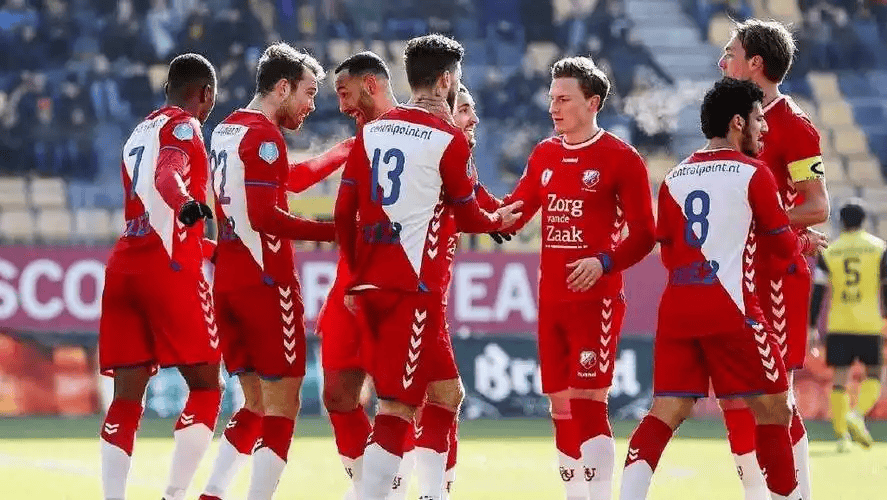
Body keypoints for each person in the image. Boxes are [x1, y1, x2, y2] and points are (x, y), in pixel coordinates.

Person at [334, 34, 521, 500]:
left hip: (372, 285)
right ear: (445, 81)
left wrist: (354, 277)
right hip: (411, 290)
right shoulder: (447, 139)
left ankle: (432, 495)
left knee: (447, 394)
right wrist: (497, 220)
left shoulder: (374, 131)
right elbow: (469, 216)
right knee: (397, 407)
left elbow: (343, 211)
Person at [619, 77, 811, 500]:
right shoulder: (754, 173)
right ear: (738, 122)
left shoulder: (674, 176)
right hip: (734, 310)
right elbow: (782, 248)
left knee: (665, 412)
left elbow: (669, 252)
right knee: (775, 408)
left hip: (678, 310)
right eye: (758, 119)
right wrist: (803, 242)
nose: (764, 128)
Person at [501, 56, 655, 500]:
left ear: (593, 103)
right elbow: (513, 211)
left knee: (588, 402)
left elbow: (646, 235)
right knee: (560, 405)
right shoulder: (544, 154)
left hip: (596, 300)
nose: (554, 107)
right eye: (552, 98)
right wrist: (464, 197)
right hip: (551, 299)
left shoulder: (621, 159)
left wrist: (604, 262)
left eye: (564, 99)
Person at [200, 43, 335, 500]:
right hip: (266, 282)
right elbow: (265, 216)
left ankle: (212, 494)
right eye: (308, 93)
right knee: (283, 405)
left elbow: (284, 180)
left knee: (254, 405)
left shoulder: (227, 129)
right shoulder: (264, 136)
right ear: (282, 88)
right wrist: (337, 231)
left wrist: (342, 152)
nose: (311, 105)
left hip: (228, 282)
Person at [98, 53, 222, 500]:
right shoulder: (185, 126)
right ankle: (174, 495)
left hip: (124, 266)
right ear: (205, 94)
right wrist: (187, 203)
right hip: (167, 268)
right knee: (208, 387)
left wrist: (209, 247)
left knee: (126, 398)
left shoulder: (138, 132)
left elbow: (148, 210)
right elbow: (169, 174)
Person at [718, 20, 829, 500]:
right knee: (749, 395)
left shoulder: (793, 125)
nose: (721, 61)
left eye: (730, 53)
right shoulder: (733, 121)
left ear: (755, 63)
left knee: (773, 395)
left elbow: (818, 205)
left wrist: (764, 219)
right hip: (736, 272)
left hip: (775, 276)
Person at [316, 51, 398, 500]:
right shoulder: (360, 139)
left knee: (403, 398)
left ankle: (412, 488)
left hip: (397, 279)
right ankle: (370, 490)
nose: (342, 106)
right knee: (337, 395)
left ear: (370, 84)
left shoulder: (413, 130)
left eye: (345, 94)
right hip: (351, 276)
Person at [809, 199, 886, 451]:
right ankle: (857, 414)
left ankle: (842, 437)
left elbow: (818, 292)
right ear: (864, 221)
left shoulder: (830, 252)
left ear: (841, 222)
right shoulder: (879, 249)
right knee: (874, 374)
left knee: (840, 380)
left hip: (839, 324)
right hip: (869, 323)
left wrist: (812, 326)